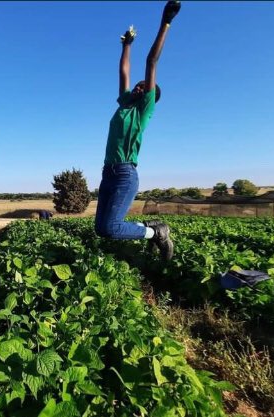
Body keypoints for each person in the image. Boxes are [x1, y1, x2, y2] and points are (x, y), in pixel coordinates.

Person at [94, 0, 181, 261]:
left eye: (145, 88)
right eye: (139, 86)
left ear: (150, 98)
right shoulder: (124, 104)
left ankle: (157, 233)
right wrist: (126, 46)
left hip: (124, 173)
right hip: (107, 173)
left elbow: (151, 61)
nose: (139, 88)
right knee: (101, 229)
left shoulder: (143, 110)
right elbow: (123, 72)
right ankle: (151, 231)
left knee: (112, 227)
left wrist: (165, 22)